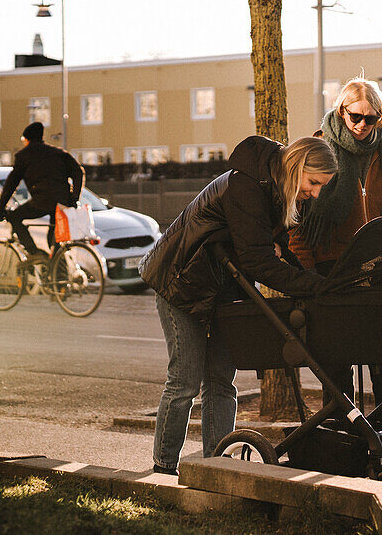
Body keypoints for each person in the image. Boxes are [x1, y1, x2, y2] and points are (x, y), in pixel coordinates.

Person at [139, 135, 337, 476]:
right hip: (181, 284)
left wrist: (311, 278)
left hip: (221, 287)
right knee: (184, 381)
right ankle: (164, 468)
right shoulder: (246, 187)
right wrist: (317, 285)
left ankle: (217, 466)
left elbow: (270, 249)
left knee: (220, 381)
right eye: (314, 183)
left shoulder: (277, 188)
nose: (316, 193)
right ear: (298, 167)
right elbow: (259, 261)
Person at [288, 77, 382, 426]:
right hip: (333, 268)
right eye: (354, 116)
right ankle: (339, 432)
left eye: (370, 119)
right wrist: (308, 274)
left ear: (381, 117)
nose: (361, 125)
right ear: (340, 111)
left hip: (380, 263)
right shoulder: (320, 147)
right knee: (337, 361)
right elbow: (298, 220)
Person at [0, 121, 84, 262]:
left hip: (41, 202)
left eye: (23, 140)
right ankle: (59, 279)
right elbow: (78, 172)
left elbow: (11, 184)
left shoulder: (24, 156)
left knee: (15, 217)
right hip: (62, 203)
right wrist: (73, 198)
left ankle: (35, 254)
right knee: (54, 241)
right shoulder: (58, 153)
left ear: (27, 139)